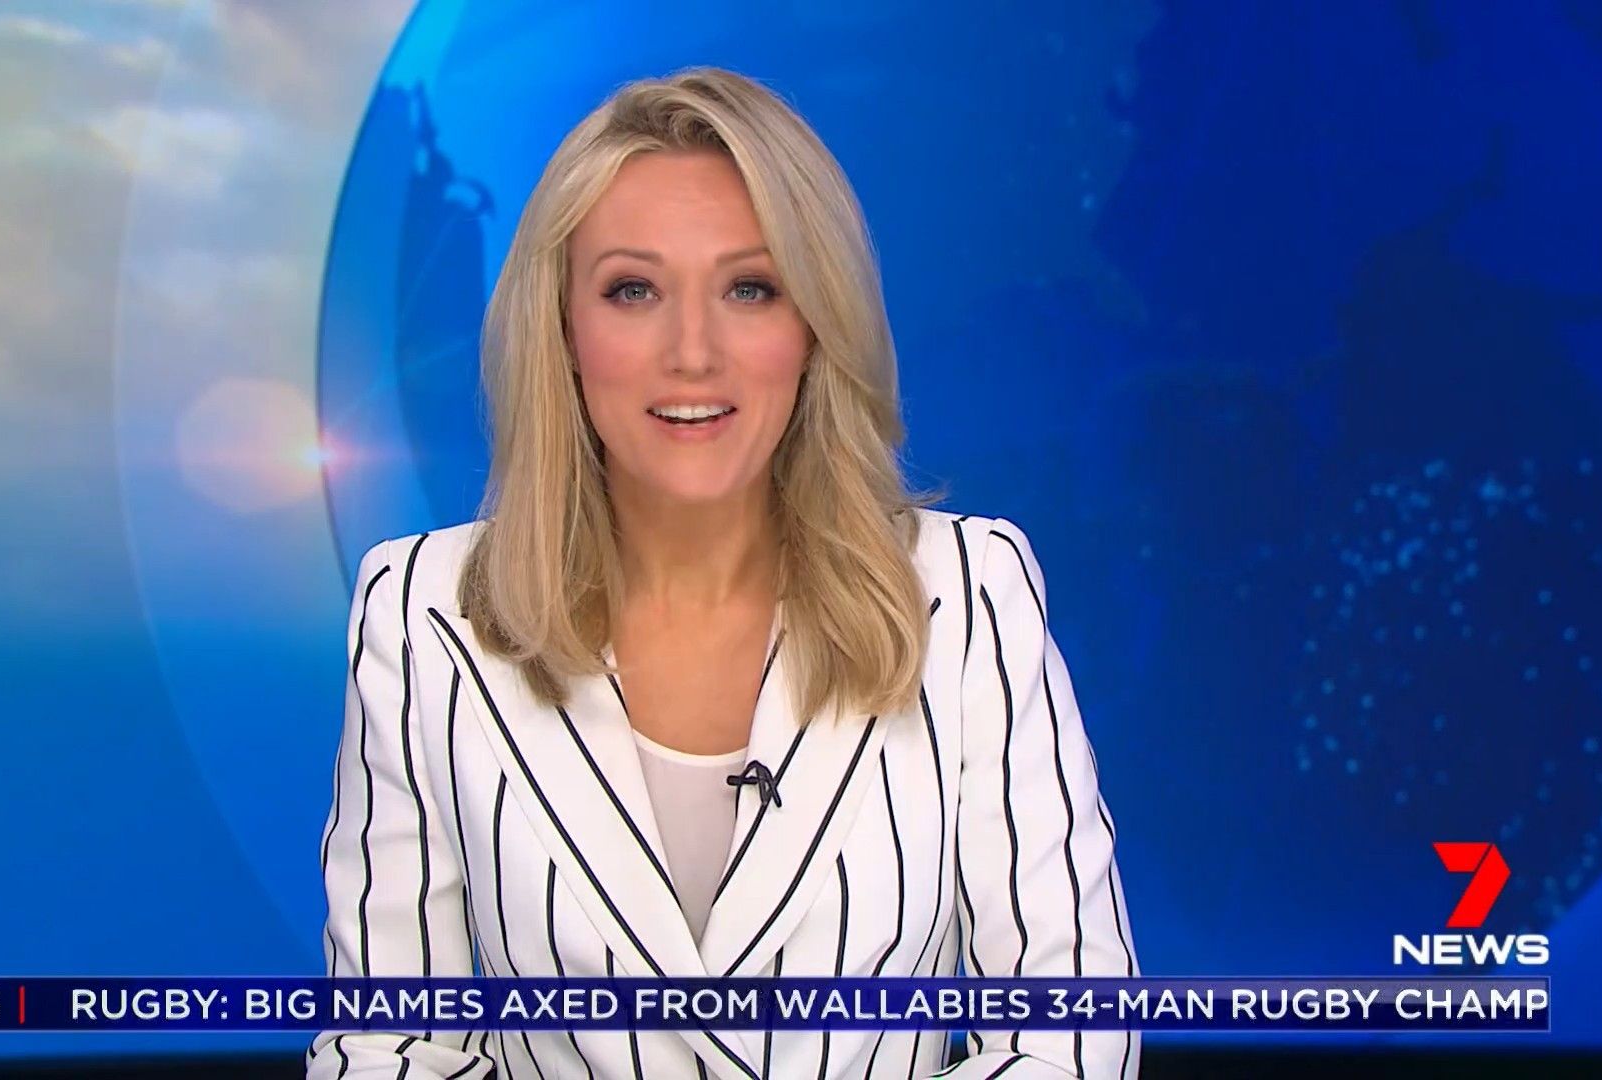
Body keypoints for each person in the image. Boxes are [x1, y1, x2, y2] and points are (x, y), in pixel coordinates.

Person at [306, 66, 1138, 1080]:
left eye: (751, 288)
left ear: (814, 325)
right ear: (563, 330)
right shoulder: (422, 615)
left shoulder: (969, 596)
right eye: (633, 291)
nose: (692, 354)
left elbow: (1068, 1037)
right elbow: (390, 1045)